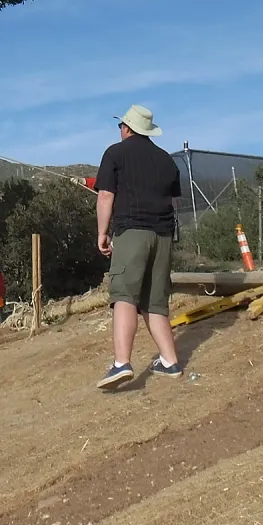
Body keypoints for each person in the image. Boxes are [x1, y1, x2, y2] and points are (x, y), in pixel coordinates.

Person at [94, 104, 182, 390]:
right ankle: (170, 362)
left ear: (127, 128)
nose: (119, 130)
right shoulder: (167, 161)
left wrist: (102, 234)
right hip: (164, 236)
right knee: (155, 302)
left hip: (132, 232)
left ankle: (121, 363)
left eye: (120, 125)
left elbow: (106, 195)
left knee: (124, 296)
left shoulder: (115, 153)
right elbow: (173, 204)